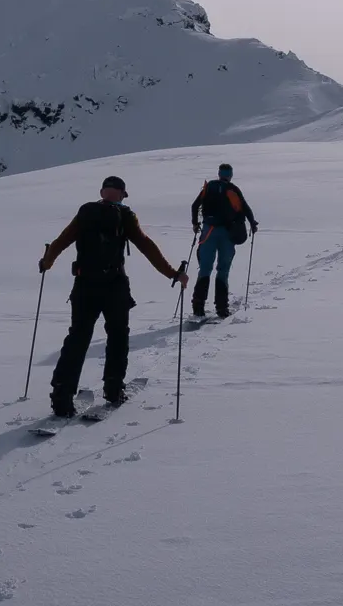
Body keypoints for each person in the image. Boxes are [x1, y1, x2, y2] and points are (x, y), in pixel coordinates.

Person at [40, 174, 186, 416]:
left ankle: (62, 396)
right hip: (114, 284)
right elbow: (146, 245)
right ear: (121, 193)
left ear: (102, 192)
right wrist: (173, 274)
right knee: (118, 336)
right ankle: (113, 389)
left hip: (84, 284)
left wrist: (47, 262)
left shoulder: (85, 212)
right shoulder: (125, 215)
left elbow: (61, 241)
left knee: (78, 337)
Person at [190, 163, 258, 319]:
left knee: (205, 268)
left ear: (219, 173)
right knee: (223, 270)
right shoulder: (233, 189)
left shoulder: (209, 187)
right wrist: (252, 223)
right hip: (227, 233)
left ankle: (198, 306)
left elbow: (195, 206)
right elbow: (245, 208)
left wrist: (195, 223)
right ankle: (221, 309)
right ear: (230, 175)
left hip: (208, 231)